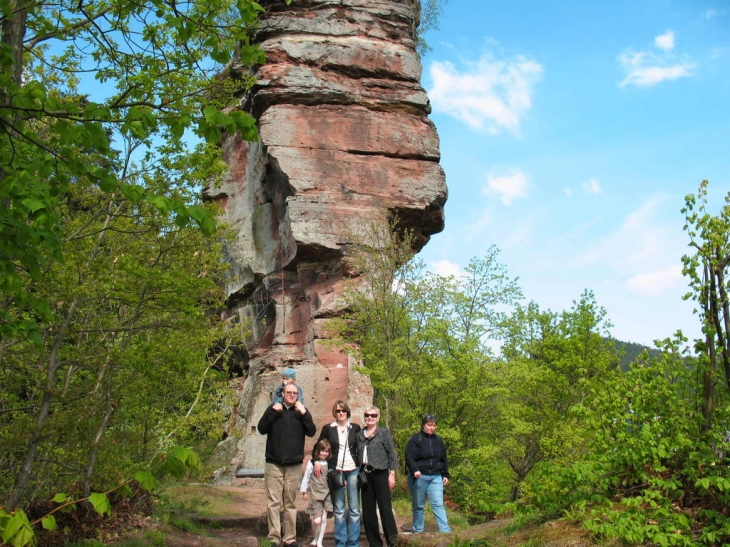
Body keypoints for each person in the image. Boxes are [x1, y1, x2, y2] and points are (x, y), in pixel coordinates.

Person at [257, 382, 317, 547]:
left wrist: (304, 413)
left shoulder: (301, 413)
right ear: (282, 394)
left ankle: (289, 539)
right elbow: (261, 429)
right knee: (273, 501)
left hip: (293, 463)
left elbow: (312, 431)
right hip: (274, 462)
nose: (291, 395)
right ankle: (274, 538)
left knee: (290, 502)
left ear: (298, 395)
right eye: (288, 392)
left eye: (294, 393)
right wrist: (272, 412)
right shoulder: (274, 409)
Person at [315, 400, 362, 547]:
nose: (341, 413)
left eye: (343, 411)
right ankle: (341, 541)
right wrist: (316, 461)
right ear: (335, 413)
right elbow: (319, 447)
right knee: (339, 508)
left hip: (353, 468)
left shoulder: (355, 428)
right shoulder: (328, 428)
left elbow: (362, 448)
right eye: (338, 411)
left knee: (354, 508)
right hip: (336, 470)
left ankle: (353, 542)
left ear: (348, 412)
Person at [357, 406, 398, 547]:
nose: (370, 418)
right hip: (365, 474)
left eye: (373, 415)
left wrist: (392, 474)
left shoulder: (383, 433)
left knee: (385, 507)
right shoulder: (360, 435)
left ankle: (392, 539)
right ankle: (374, 542)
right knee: (368, 511)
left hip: (380, 473)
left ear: (378, 418)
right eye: (367, 415)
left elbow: (391, 453)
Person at [405, 413, 451, 533]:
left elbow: (443, 459)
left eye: (434, 425)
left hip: (435, 477)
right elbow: (409, 456)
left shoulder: (438, 440)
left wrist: (445, 474)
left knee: (438, 504)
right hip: (419, 477)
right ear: (424, 425)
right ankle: (418, 530)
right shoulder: (416, 439)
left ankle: (445, 531)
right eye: (429, 425)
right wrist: (415, 469)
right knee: (419, 506)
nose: (431, 427)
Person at [301, 439, 334, 547]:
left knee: (323, 518)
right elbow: (306, 477)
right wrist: (304, 491)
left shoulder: (329, 464)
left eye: (327, 451)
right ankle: (315, 537)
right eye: (322, 451)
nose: (324, 453)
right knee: (316, 520)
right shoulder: (312, 463)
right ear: (318, 451)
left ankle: (319, 541)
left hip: (327, 494)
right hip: (315, 494)